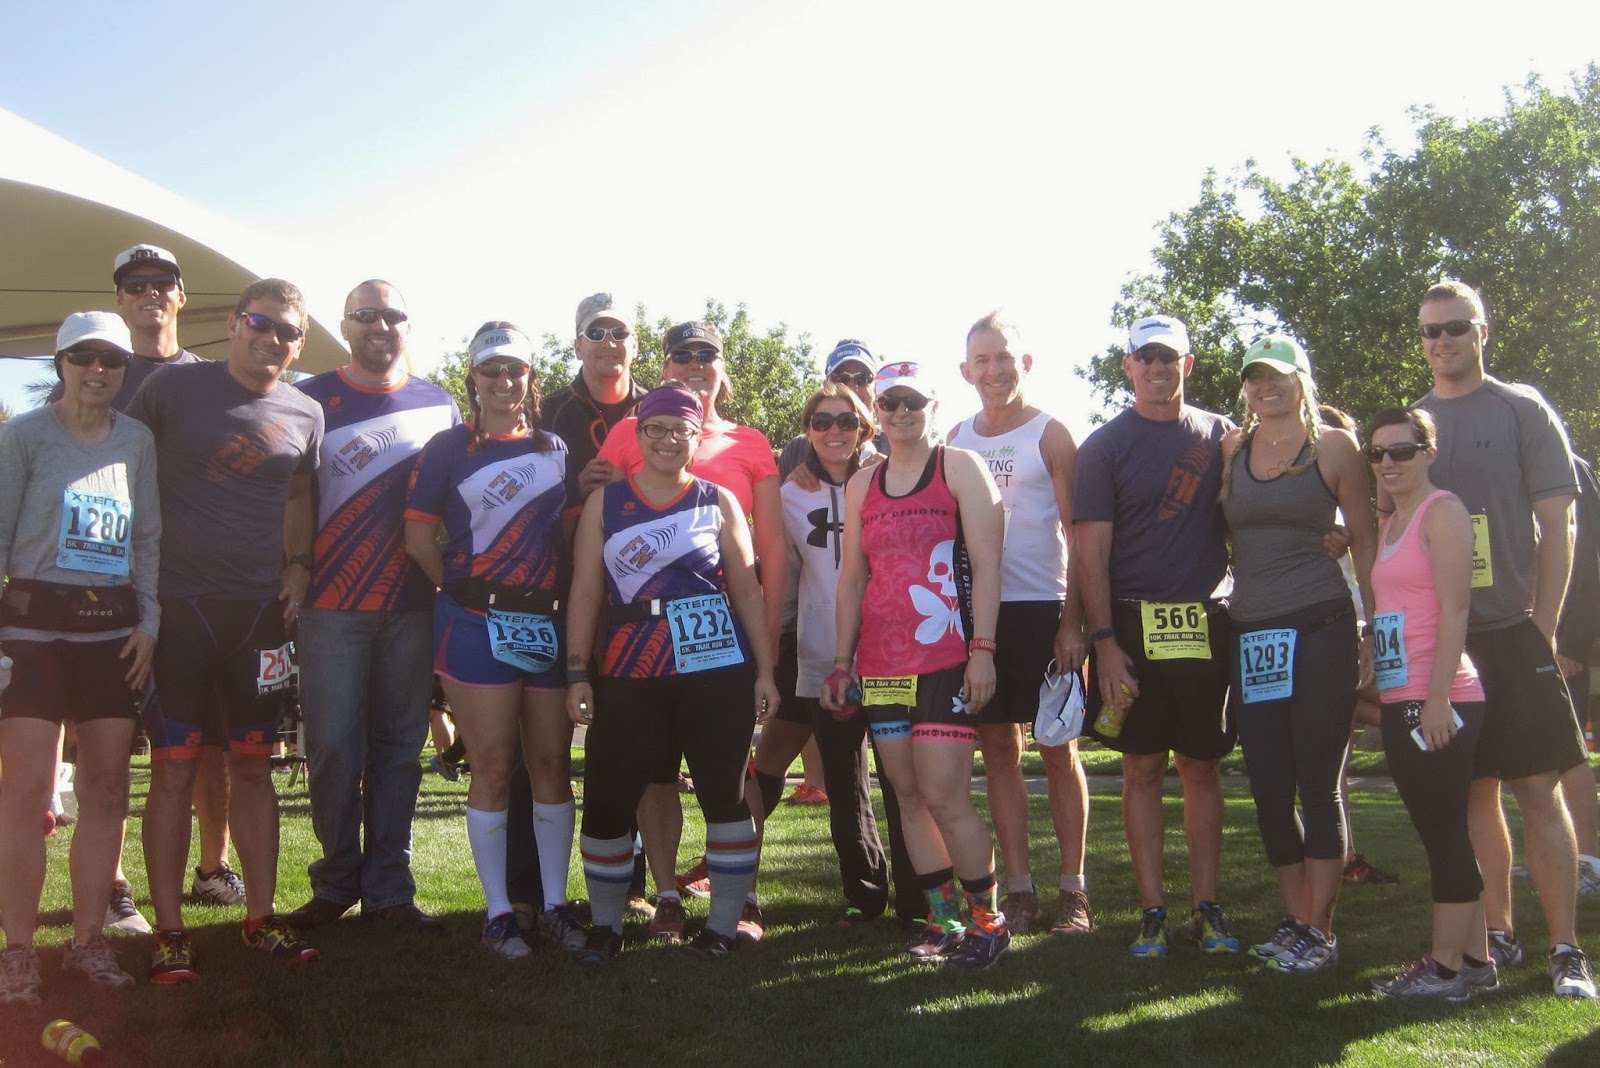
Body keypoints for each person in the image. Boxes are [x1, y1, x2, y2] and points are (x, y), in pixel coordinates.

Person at [125, 278, 325, 981]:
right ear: (235, 324)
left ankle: (260, 918)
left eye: (287, 331)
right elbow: (124, 465)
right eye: (260, 323)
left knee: (254, 767)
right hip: (178, 607)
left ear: (299, 343)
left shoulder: (305, 410)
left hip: (259, 615)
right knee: (174, 769)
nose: (272, 339)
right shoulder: (173, 388)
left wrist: (299, 564)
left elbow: (299, 491)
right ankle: (170, 932)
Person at [1405, 279, 1594, 998]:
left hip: (1515, 633)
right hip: (1444, 643)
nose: (1442, 341)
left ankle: (1567, 950)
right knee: (1472, 794)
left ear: (1483, 332)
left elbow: (1559, 525)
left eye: (1456, 327)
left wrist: (1542, 626)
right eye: (1431, 331)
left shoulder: (1521, 409)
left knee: (1537, 788)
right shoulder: (1411, 425)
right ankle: (1499, 934)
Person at [50, 245, 238, 931]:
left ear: (183, 296)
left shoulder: (213, 380)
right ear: (120, 299)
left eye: (163, 283)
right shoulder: (97, 372)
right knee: (105, 738)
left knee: (209, 740)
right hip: (109, 587)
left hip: (198, 587)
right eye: (135, 285)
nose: (149, 293)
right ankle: (115, 883)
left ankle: (213, 869)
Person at [567, 383, 780, 961]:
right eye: (655, 429)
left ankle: (722, 928)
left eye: (680, 430)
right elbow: (585, 591)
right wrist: (578, 672)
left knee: (724, 795)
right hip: (630, 667)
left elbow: (747, 590)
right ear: (638, 435)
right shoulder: (606, 504)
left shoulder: (719, 500)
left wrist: (765, 670)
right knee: (609, 798)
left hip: (715, 668)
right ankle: (606, 926)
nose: (667, 440)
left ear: (696, 436)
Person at [283, 280, 459, 934]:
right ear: (345, 325)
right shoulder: (307, 398)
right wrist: (294, 567)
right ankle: (336, 882)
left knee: (399, 749)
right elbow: (292, 497)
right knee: (332, 747)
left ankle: (389, 889)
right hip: (330, 604)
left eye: (392, 316)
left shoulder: (439, 403)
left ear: (407, 326)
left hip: (412, 604)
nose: (380, 326)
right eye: (366, 315)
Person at [823, 361, 1011, 968]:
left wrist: (983, 651)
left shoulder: (959, 467)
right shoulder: (862, 484)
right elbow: (852, 578)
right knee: (906, 794)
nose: (901, 411)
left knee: (944, 794)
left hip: (948, 653)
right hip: (882, 661)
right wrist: (841, 661)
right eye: (890, 402)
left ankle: (988, 923)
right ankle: (944, 919)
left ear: (932, 405)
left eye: (913, 401)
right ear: (876, 411)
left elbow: (988, 565)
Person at [404, 322, 579, 958]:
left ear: (531, 376)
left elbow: (567, 536)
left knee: (552, 766)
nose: (504, 381)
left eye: (516, 370)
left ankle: (555, 904)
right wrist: (459, 590)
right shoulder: (447, 448)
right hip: (475, 623)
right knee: (494, 766)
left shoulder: (554, 447)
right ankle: (500, 912)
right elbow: (418, 537)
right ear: (473, 377)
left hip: (544, 623)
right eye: (491, 370)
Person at [0, 313, 159, 1004]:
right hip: (33, 631)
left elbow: (147, 537)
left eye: (111, 360)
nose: (98, 370)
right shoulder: (24, 436)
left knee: (107, 790)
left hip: (110, 632)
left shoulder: (137, 439)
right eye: (83, 357)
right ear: (61, 362)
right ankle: (17, 951)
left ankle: (88, 941)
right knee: (25, 794)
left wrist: (150, 622)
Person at [1074, 314, 1240, 958]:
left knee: (1201, 766)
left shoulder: (1223, 436)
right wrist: (1104, 642)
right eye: (1145, 356)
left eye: (1168, 356)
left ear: (1187, 364)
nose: (1157, 367)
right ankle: (1153, 913)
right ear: (1128, 365)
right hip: (1130, 627)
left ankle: (1207, 908)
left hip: (1206, 620)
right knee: (1141, 768)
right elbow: (1090, 552)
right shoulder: (1104, 447)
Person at [1218, 335, 1376, 973]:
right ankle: (1296, 918)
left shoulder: (1334, 448)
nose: (1266, 386)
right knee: (1268, 786)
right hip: (1253, 633)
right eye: (1255, 377)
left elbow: (1366, 538)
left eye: (1278, 375)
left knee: (1317, 782)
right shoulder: (1232, 448)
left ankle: (1321, 930)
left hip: (1321, 625)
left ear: (1302, 380)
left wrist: (1374, 629)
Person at [947, 312, 1093, 936]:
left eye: (1004, 357)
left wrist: (1073, 622)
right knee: (999, 751)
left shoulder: (1051, 434)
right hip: (982, 615)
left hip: (1044, 609)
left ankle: (1074, 892)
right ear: (965, 370)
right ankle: (1021, 888)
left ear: (1024, 362)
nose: (994, 370)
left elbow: (1080, 538)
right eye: (982, 360)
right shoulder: (955, 438)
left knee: (1058, 749)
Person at [1364, 406, 1495, 1000]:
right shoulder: (1393, 521)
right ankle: (1477, 961)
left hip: (1439, 695)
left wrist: (1439, 697)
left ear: (1429, 453)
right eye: (1377, 453)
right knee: (1442, 831)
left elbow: (1456, 608)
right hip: (1402, 692)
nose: (1388, 462)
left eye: (1401, 450)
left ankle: (1444, 971)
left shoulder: (1444, 512)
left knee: (1443, 833)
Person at [771, 383, 914, 924]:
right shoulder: (790, 494)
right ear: (808, 431)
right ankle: (865, 894)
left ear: (864, 429)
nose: (834, 431)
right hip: (821, 654)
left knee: (903, 780)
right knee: (843, 780)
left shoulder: (887, 482)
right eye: (822, 421)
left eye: (846, 421)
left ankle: (919, 897)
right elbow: (785, 578)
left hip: (890, 651)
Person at [530, 292, 651, 921]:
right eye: (595, 332)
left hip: (643, 600)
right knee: (547, 747)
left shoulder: (660, 409)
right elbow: (522, 512)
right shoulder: (547, 410)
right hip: (563, 593)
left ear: (635, 343)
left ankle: (631, 882)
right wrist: (575, 493)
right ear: (577, 343)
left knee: (632, 741)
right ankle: (533, 889)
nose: (608, 343)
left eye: (619, 332)